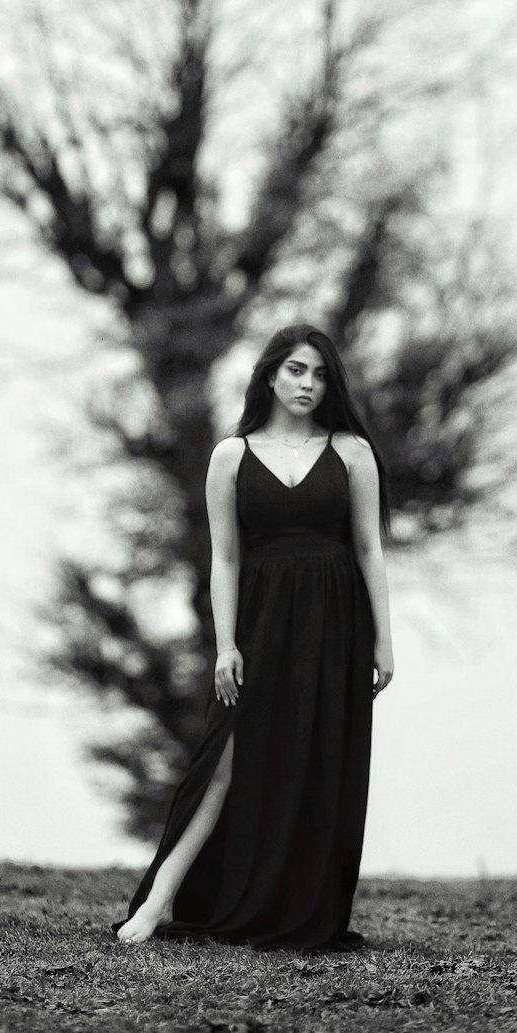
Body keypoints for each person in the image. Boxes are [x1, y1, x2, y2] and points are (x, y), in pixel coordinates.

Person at [111, 322, 395, 950]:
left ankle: (299, 909)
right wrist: (226, 645)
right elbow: (226, 560)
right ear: (270, 373)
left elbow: (370, 550)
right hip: (261, 621)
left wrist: (383, 640)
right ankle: (157, 904)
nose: (309, 384)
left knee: (317, 762)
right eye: (297, 370)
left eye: (321, 374)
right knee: (224, 759)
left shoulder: (351, 451)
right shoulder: (229, 455)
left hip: (335, 623)